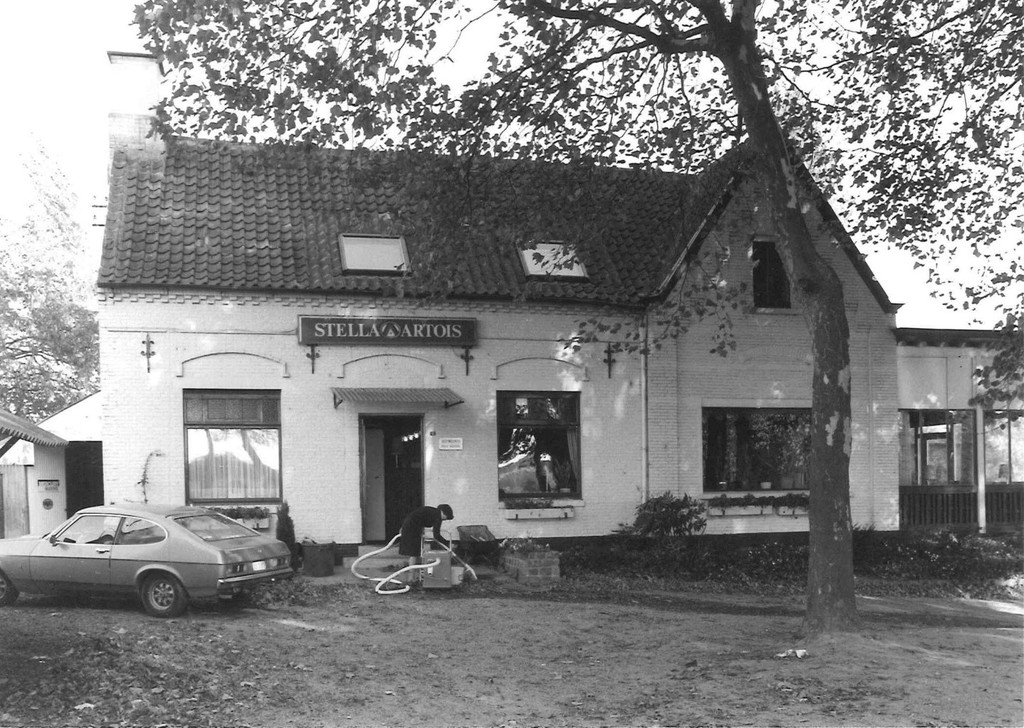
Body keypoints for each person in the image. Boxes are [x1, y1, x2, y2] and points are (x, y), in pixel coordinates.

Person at [398, 503, 454, 568]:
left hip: (410, 526)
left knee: (416, 552)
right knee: (414, 553)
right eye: (446, 518)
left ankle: (414, 568)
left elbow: (417, 517)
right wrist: (447, 543)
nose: (445, 520)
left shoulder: (433, 512)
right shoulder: (437, 516)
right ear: (444, 513)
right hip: (412, 529)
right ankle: (411, 572)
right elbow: (436, 535)